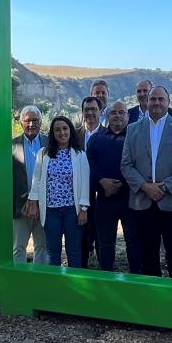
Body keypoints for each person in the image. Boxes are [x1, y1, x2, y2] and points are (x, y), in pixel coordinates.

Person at [121, 85, 172, 278]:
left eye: (161, 99)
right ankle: (152, 298)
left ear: (168, 102)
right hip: (143, 201)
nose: (156, 103)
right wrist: (145, 187)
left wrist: (166, 186)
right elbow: (126, 164)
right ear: (146, 102)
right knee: (147, 255)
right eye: (153, 99)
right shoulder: (133, 129)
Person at [25, 115, 90, 268]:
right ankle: (54, 285)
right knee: (52, 252)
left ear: (70, 131)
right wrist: (33, 202)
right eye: (57, 130)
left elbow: (85, 183)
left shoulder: (80, 155)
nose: (62, 132)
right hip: (50, 211)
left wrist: (84, 209)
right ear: (53, 134)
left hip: (72, 211)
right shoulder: (44, 153)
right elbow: (37, 179)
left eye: (65, 128)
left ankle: (76, 285)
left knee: (74, 252)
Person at [87, 101, 136, 272]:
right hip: (104, 200)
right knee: (105, 244)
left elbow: (140, 164)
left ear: (128, 117)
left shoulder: (135, 137)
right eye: (113, 112)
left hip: (130, 200)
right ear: (107, 116)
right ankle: (106, 279)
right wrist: (102, 181)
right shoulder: (96, 139)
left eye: (121, 112)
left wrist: (123, 182)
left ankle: (136, 280)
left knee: (134, 243)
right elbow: (89, 165)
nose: (117, 115)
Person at [12, 105, 48, 264]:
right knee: (18, 247)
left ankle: (40, 282)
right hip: (20, 206)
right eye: (27, 121)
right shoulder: (11, 145)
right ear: (21, 123)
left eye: (35, 120)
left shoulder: (51, 142)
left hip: (45, 204)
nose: (31, 124)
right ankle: (17, 282)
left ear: (41, 122)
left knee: (42, 247)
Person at [75, 96, 104, 264]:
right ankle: (81, 266)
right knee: (81, 233)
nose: (90, 113)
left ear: (100, 111)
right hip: (79, 192)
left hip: (101, 193)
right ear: (82, 112)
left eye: (94, 109)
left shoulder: (108, 134)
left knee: (101, 233)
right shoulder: (74, 135)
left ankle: (103, 267)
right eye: (87, 109)